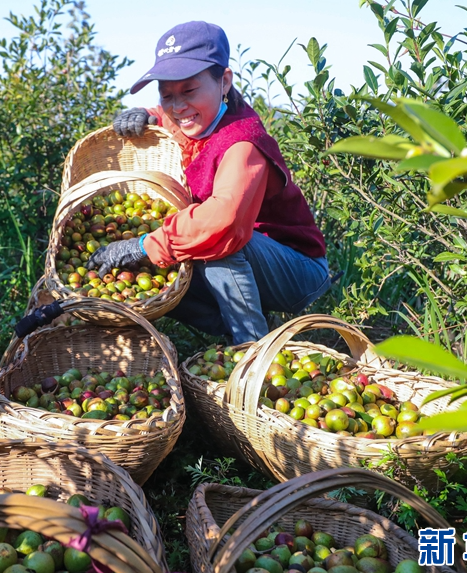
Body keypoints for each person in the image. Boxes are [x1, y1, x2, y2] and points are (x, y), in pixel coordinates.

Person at [86, 21, 330, 345]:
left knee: (212, 242)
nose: (178, 105)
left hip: (299, 270)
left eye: (189, 90)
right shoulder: (192, 120)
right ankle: (237, 324)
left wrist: (140, 246)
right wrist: (149, 115)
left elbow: (223, 222)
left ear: (224, 81)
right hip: (254, 262)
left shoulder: (244, 142)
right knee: (165, 262)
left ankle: (252, 351)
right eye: (166, 93)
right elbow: (170, 117)